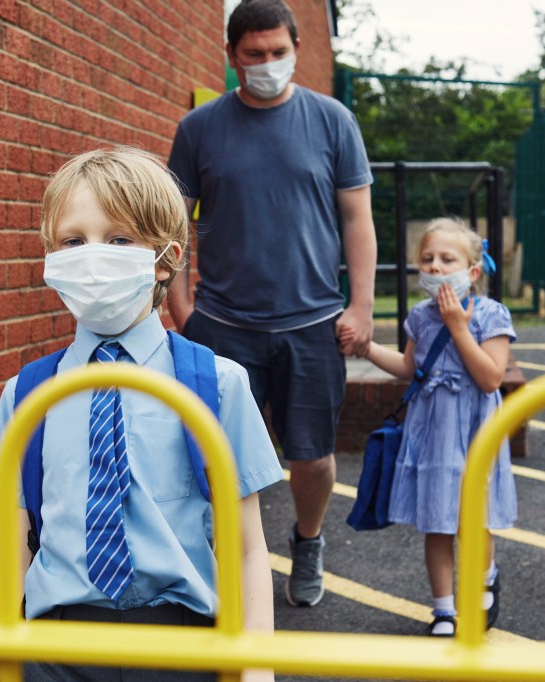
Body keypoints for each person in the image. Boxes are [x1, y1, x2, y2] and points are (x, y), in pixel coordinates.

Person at [0, 147, 283, 681]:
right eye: (73, 241)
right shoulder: (26, 395)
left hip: (182, 645)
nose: (93, 256)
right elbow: (11, 540)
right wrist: (10, 654)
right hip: (55, 648)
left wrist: (256, 668)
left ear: (165, 257)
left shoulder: (217, 385)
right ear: (52, 256)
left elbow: (248, 548)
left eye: (119, 239)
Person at [166, 0, 377, 608]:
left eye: (278, 53)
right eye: (253, 55)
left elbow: (357, 220)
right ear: (232, 57)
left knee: (311, 459)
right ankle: (217, 562)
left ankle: (307, 541)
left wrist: (359, 308)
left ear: (296, 50)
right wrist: (182, 309)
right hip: (225, 325)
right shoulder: (200, 129)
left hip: (313, 325)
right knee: (213, 457)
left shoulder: (332, 120)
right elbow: (175, 221)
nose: (267, 65)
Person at [347, 217, 517, 637]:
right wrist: (367, 348)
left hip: (476, 428)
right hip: (433, 431)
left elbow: (491, 378)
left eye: (447, 259)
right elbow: (409, 367)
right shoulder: (420, 318)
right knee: (437, 520)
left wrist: (459, 328)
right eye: (427, 259)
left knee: (472, 517)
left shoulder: (490, 314)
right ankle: (443, 609)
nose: (436, 267)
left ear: (472, 271)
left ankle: (483, 579)